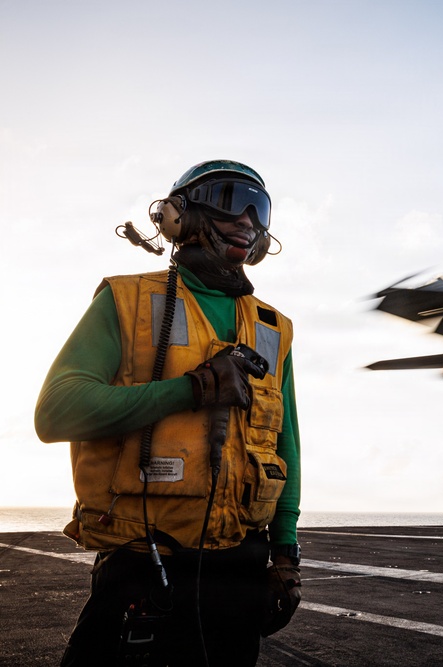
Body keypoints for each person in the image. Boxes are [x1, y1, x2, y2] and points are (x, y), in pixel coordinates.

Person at [35, 160, 303, 666]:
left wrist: (285, 555)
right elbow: (56, 413)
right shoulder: (127, 300)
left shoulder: (274, 327)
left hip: (242, 571)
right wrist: (193, 389)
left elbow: (285, 444)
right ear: (179, 216)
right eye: (230, 200)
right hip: (144, 564)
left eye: (259, 209)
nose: (248, 220)